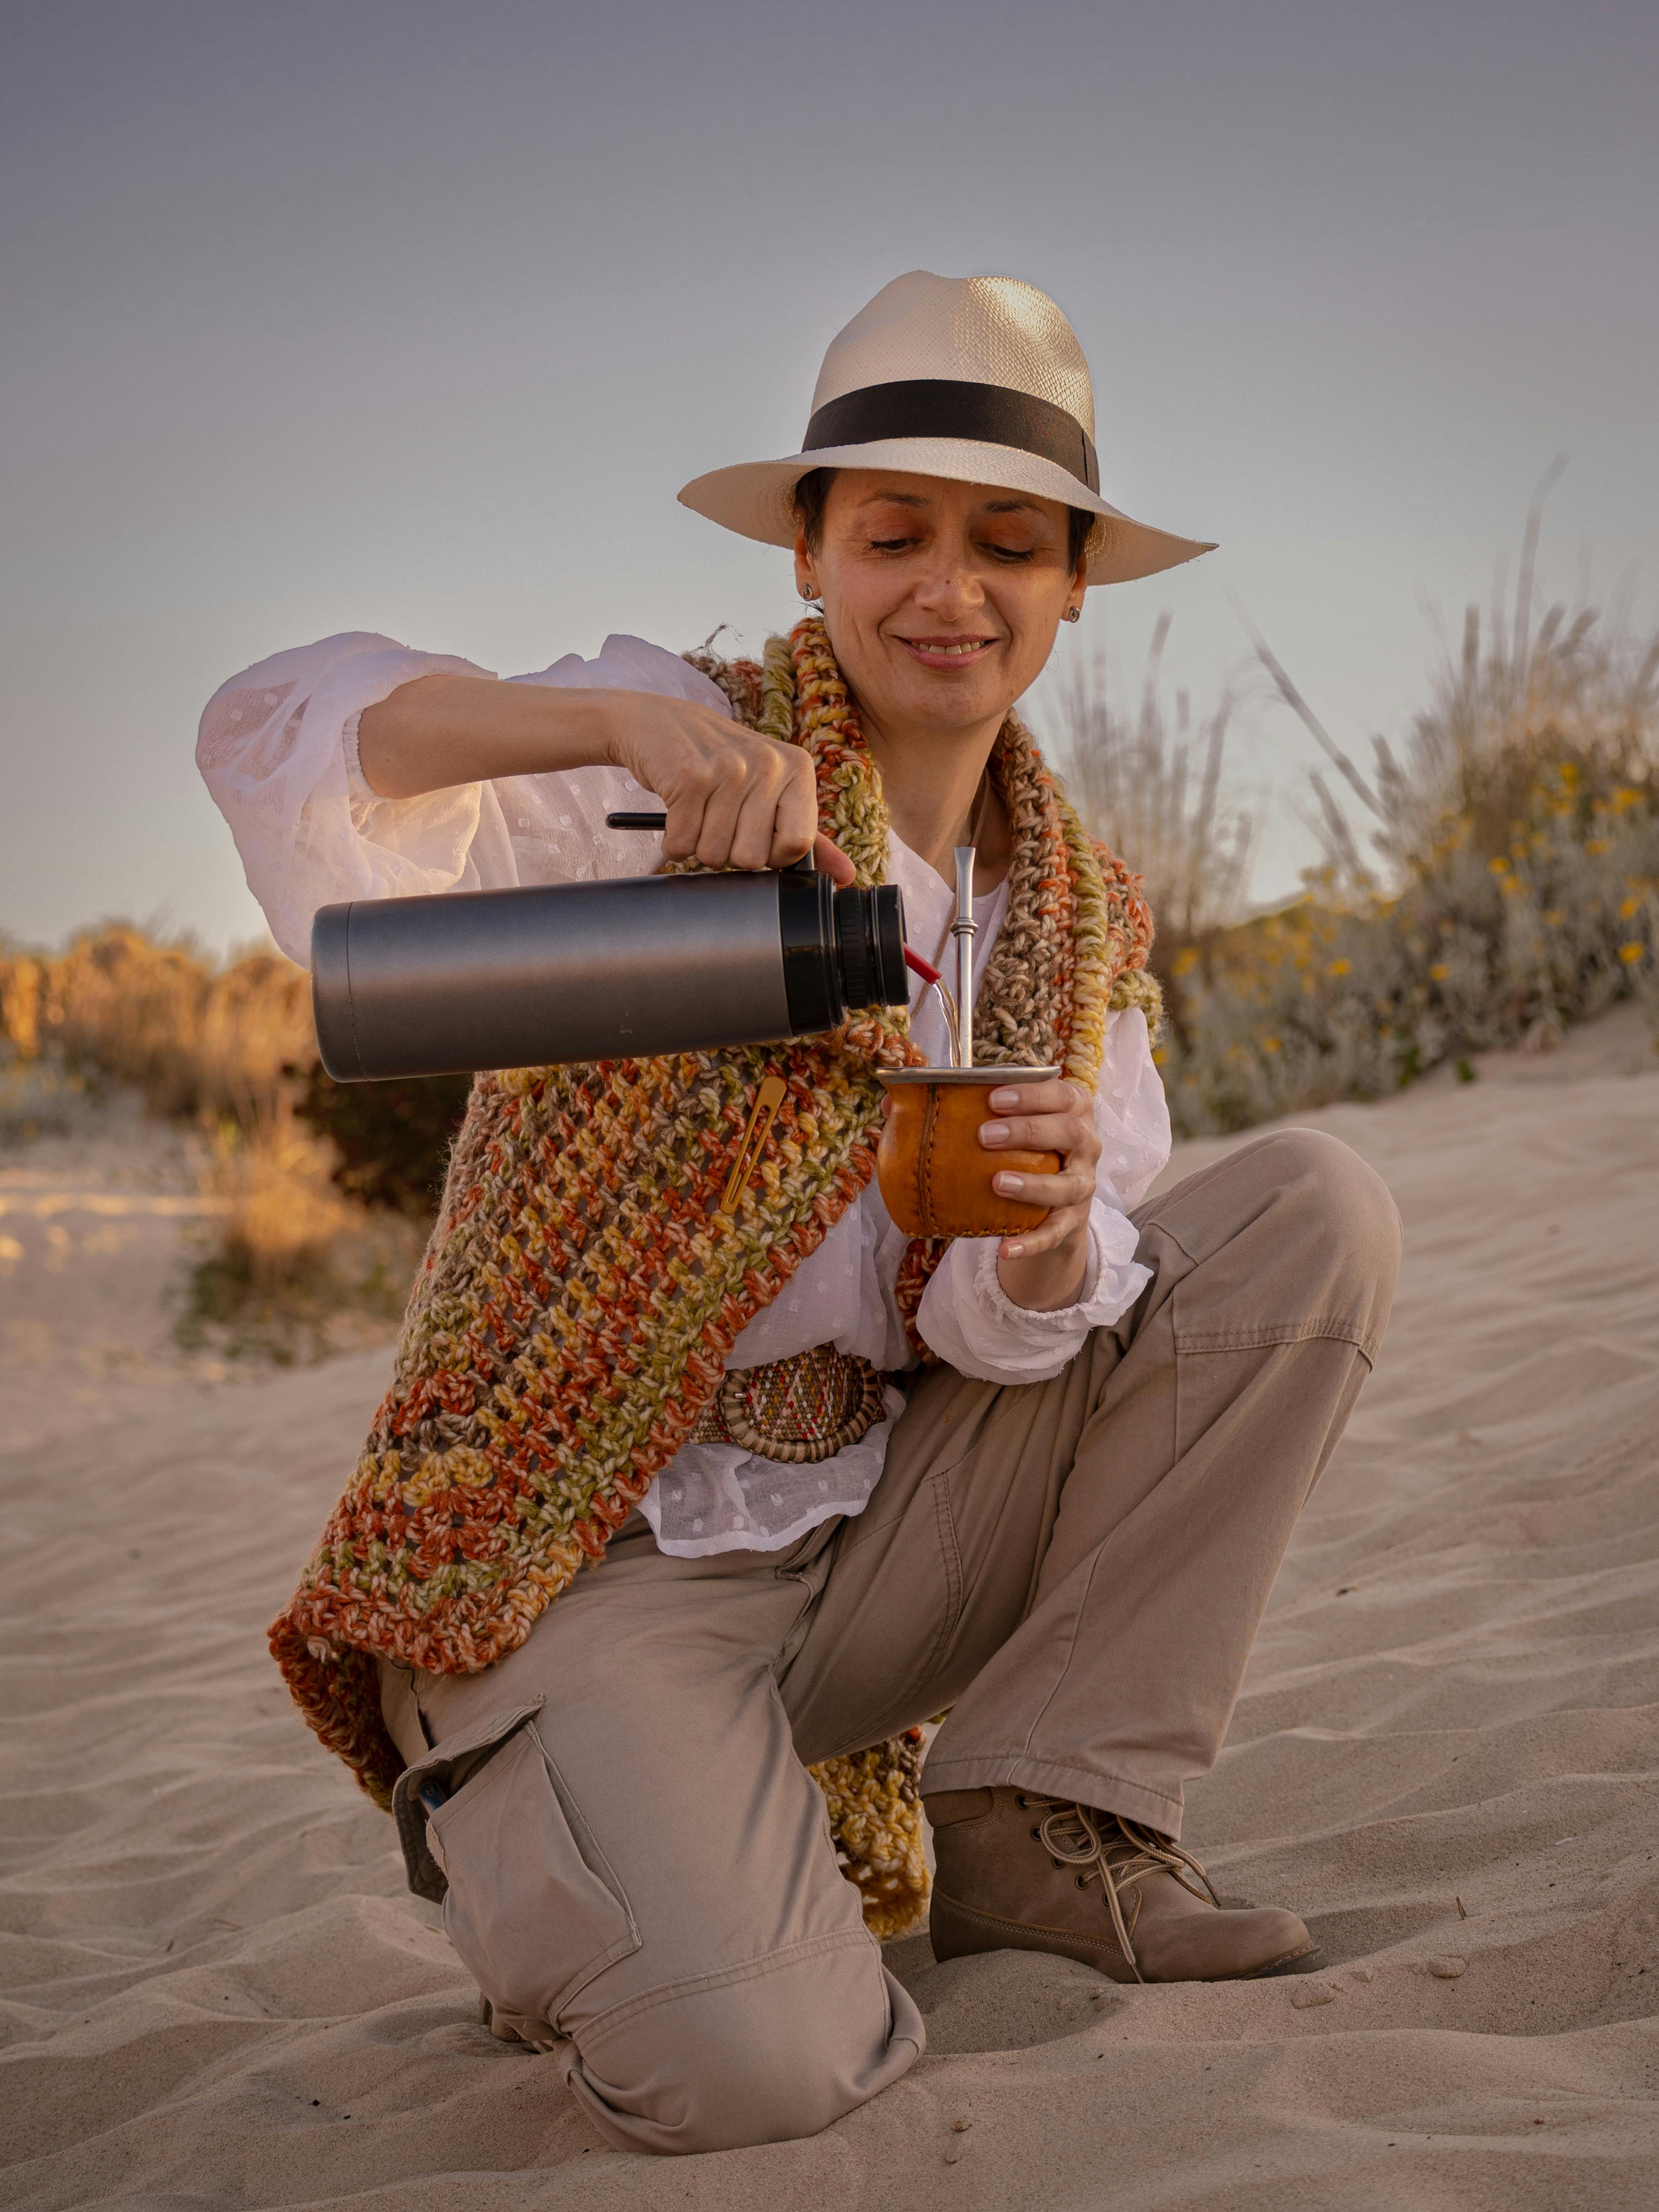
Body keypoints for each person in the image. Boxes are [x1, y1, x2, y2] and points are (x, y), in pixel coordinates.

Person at [199, 271, 1401, 2157]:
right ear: (809, 556)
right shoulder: (667, 745)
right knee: (765, 2072)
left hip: (868, 1537)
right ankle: (567, 1854)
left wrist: (1043, 1241)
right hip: (578, 1552)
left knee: (1311, 1209)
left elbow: (994, 1339)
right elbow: (272, 727)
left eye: (1009, 543)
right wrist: (602, 722)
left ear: (1074, 582)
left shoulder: (1074, 922)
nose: (951, 586)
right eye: (895, 532)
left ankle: (1045, 1823)